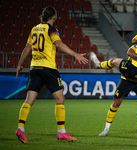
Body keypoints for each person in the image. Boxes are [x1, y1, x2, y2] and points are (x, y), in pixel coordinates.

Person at [15, 6, 88, 144]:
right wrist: (75, 54)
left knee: (29, 100)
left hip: (34, 68)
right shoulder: (51, 30)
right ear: (54, 17)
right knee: (60, 99)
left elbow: (27, 48)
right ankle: (61, 132)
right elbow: (59, 44)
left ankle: (20, 129)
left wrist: (19, 64)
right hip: (48, 68)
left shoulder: (34, 29)